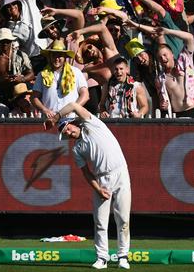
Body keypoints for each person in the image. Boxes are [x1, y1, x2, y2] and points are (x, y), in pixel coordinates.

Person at [43, 101, 131, 270]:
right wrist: (98, 189)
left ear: (73, 124)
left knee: (123, 219)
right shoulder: (77, 149)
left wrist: (55, 118)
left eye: (68, 128)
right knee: (100, 221)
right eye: (65, 133)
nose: (68, 132)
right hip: (101, 181)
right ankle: (102, 258)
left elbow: (73, 106)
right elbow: (85, 172)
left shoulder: (93, 124)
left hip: (121, 174)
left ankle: (123, 257)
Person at [31, 39, 88, 117]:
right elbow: (34, 97)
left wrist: (73, 109)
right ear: (50, 57)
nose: (56, 58)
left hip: (71, 119)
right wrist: (44, 110)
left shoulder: (76, 72)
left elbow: (85, 95)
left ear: (65, 57)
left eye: (59, 55)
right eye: (54, 55)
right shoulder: (42, 74)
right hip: (50, 119)